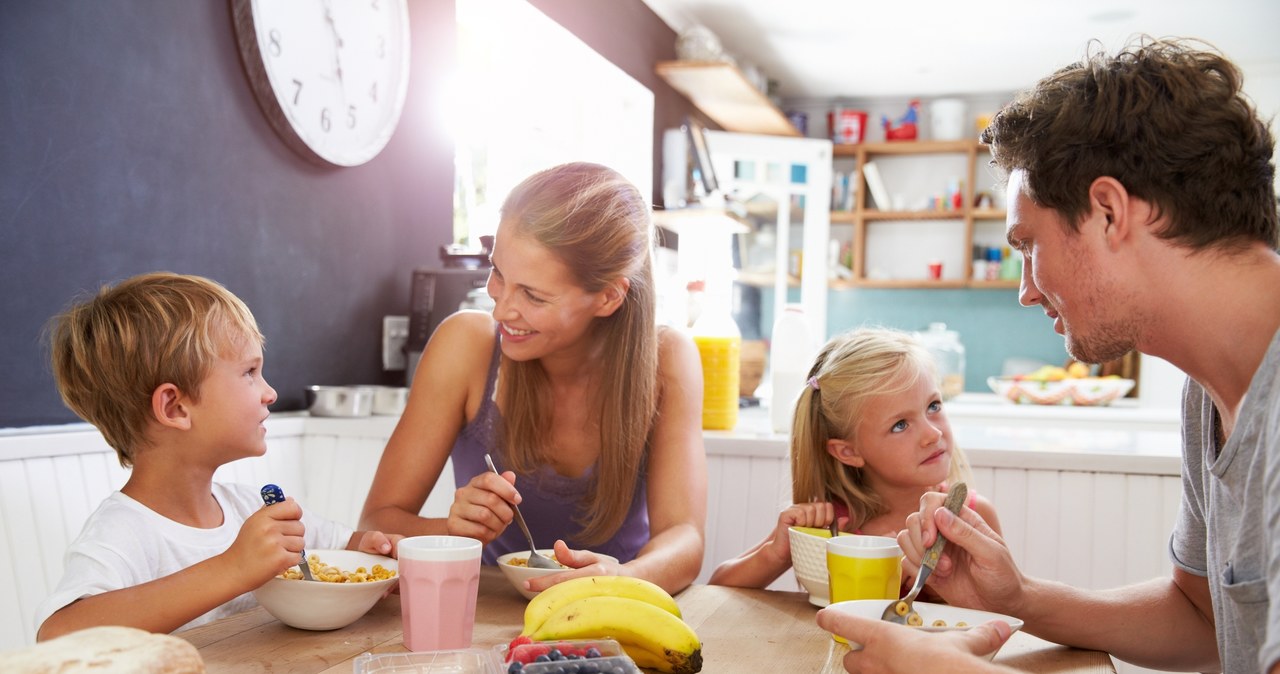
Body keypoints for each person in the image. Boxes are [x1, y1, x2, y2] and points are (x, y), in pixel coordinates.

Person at [818, 37, 1280, 674]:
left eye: (1028, 244)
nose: (1027, 289)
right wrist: (1018, 598)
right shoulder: (1210, 394)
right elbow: (1201, 620)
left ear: (1109, 212)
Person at [359, 162, 707, 595]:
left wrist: (622, 579)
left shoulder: (668, 360)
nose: (502, 309)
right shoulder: (466, 346)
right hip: (480, 614)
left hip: (616, 611)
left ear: (608, 296)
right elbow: (376, 522)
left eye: (534, 295)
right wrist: (452, 530)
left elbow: (685, 539)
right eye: (498, 274)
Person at [35, 272, 399, 640]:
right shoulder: (123, 533)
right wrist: (232, 569)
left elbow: (343, 546)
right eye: (249, 373)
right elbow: (57, 636)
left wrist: (370, 549)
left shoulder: (248, 507)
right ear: (175, 407)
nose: (269, 392)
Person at [708, 327, 1000, 589]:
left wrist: (934, 588)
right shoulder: (829, 527)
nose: (932, 434)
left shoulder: (971, 517)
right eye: (900, 425)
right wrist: (776, 552)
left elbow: (1002, 608)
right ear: (848, 452)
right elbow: (718, 589)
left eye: (933, 406)